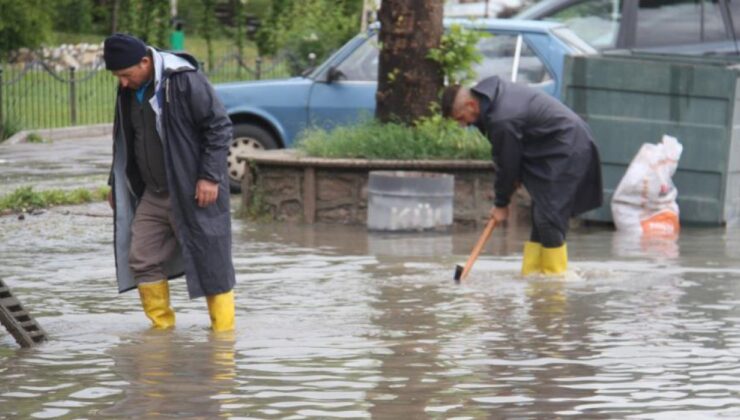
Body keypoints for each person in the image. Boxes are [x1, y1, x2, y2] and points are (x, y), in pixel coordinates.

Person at [103, 33, 235, 331]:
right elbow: (124, 140)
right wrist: (116, 182)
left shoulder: (184, 80)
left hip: (193, 190)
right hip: (154, 192)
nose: (122, 82)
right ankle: (162, 336)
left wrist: (209, 177)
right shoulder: (128, 90)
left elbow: (219, 127)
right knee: (141, 258)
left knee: (210, 264)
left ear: (145, 61)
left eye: (126, 74)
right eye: (117, 76)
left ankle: (224, 343)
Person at [441, 76, 602, 275]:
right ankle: (533, 276)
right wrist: (511, 182)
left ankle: (555, 281)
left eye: (460, 118)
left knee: (548, 217)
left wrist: (501, 203)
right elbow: (507, 154)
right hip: (550, 148)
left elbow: (507, 161)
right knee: (541, 216)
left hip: (567, 147)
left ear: (471, 104)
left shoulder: (502, 118)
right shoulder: (490, 99)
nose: (462, 125)